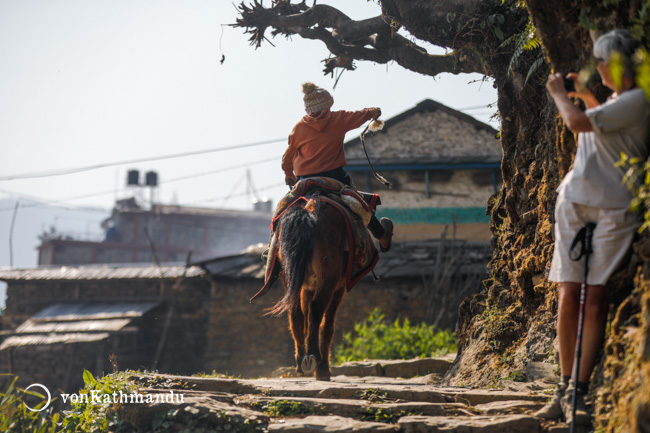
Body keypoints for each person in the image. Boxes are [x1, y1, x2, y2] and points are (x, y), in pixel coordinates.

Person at [536, 29, 650, 426]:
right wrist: (582, 95)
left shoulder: (638, 101)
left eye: (602, 64)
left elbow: (579, 125)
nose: (599, 70)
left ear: (614, 64)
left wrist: (558, 94)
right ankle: (563, 389)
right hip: (575, 202)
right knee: (569, 295)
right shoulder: (619, 101)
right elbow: (595, 123)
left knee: (594, 296)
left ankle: (579, 390)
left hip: (614, 208)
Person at [280, 82, 393, 252]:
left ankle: (273, 250)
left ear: (307, 109)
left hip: (305, 182)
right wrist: (374, 112)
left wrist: (289, 173)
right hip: (335, 180)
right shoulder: (338, 119)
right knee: (360, 205)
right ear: (328, 104)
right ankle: (383, 238)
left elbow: (287, 156)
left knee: (282, 210)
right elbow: (361, 115)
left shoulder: (299, 128)